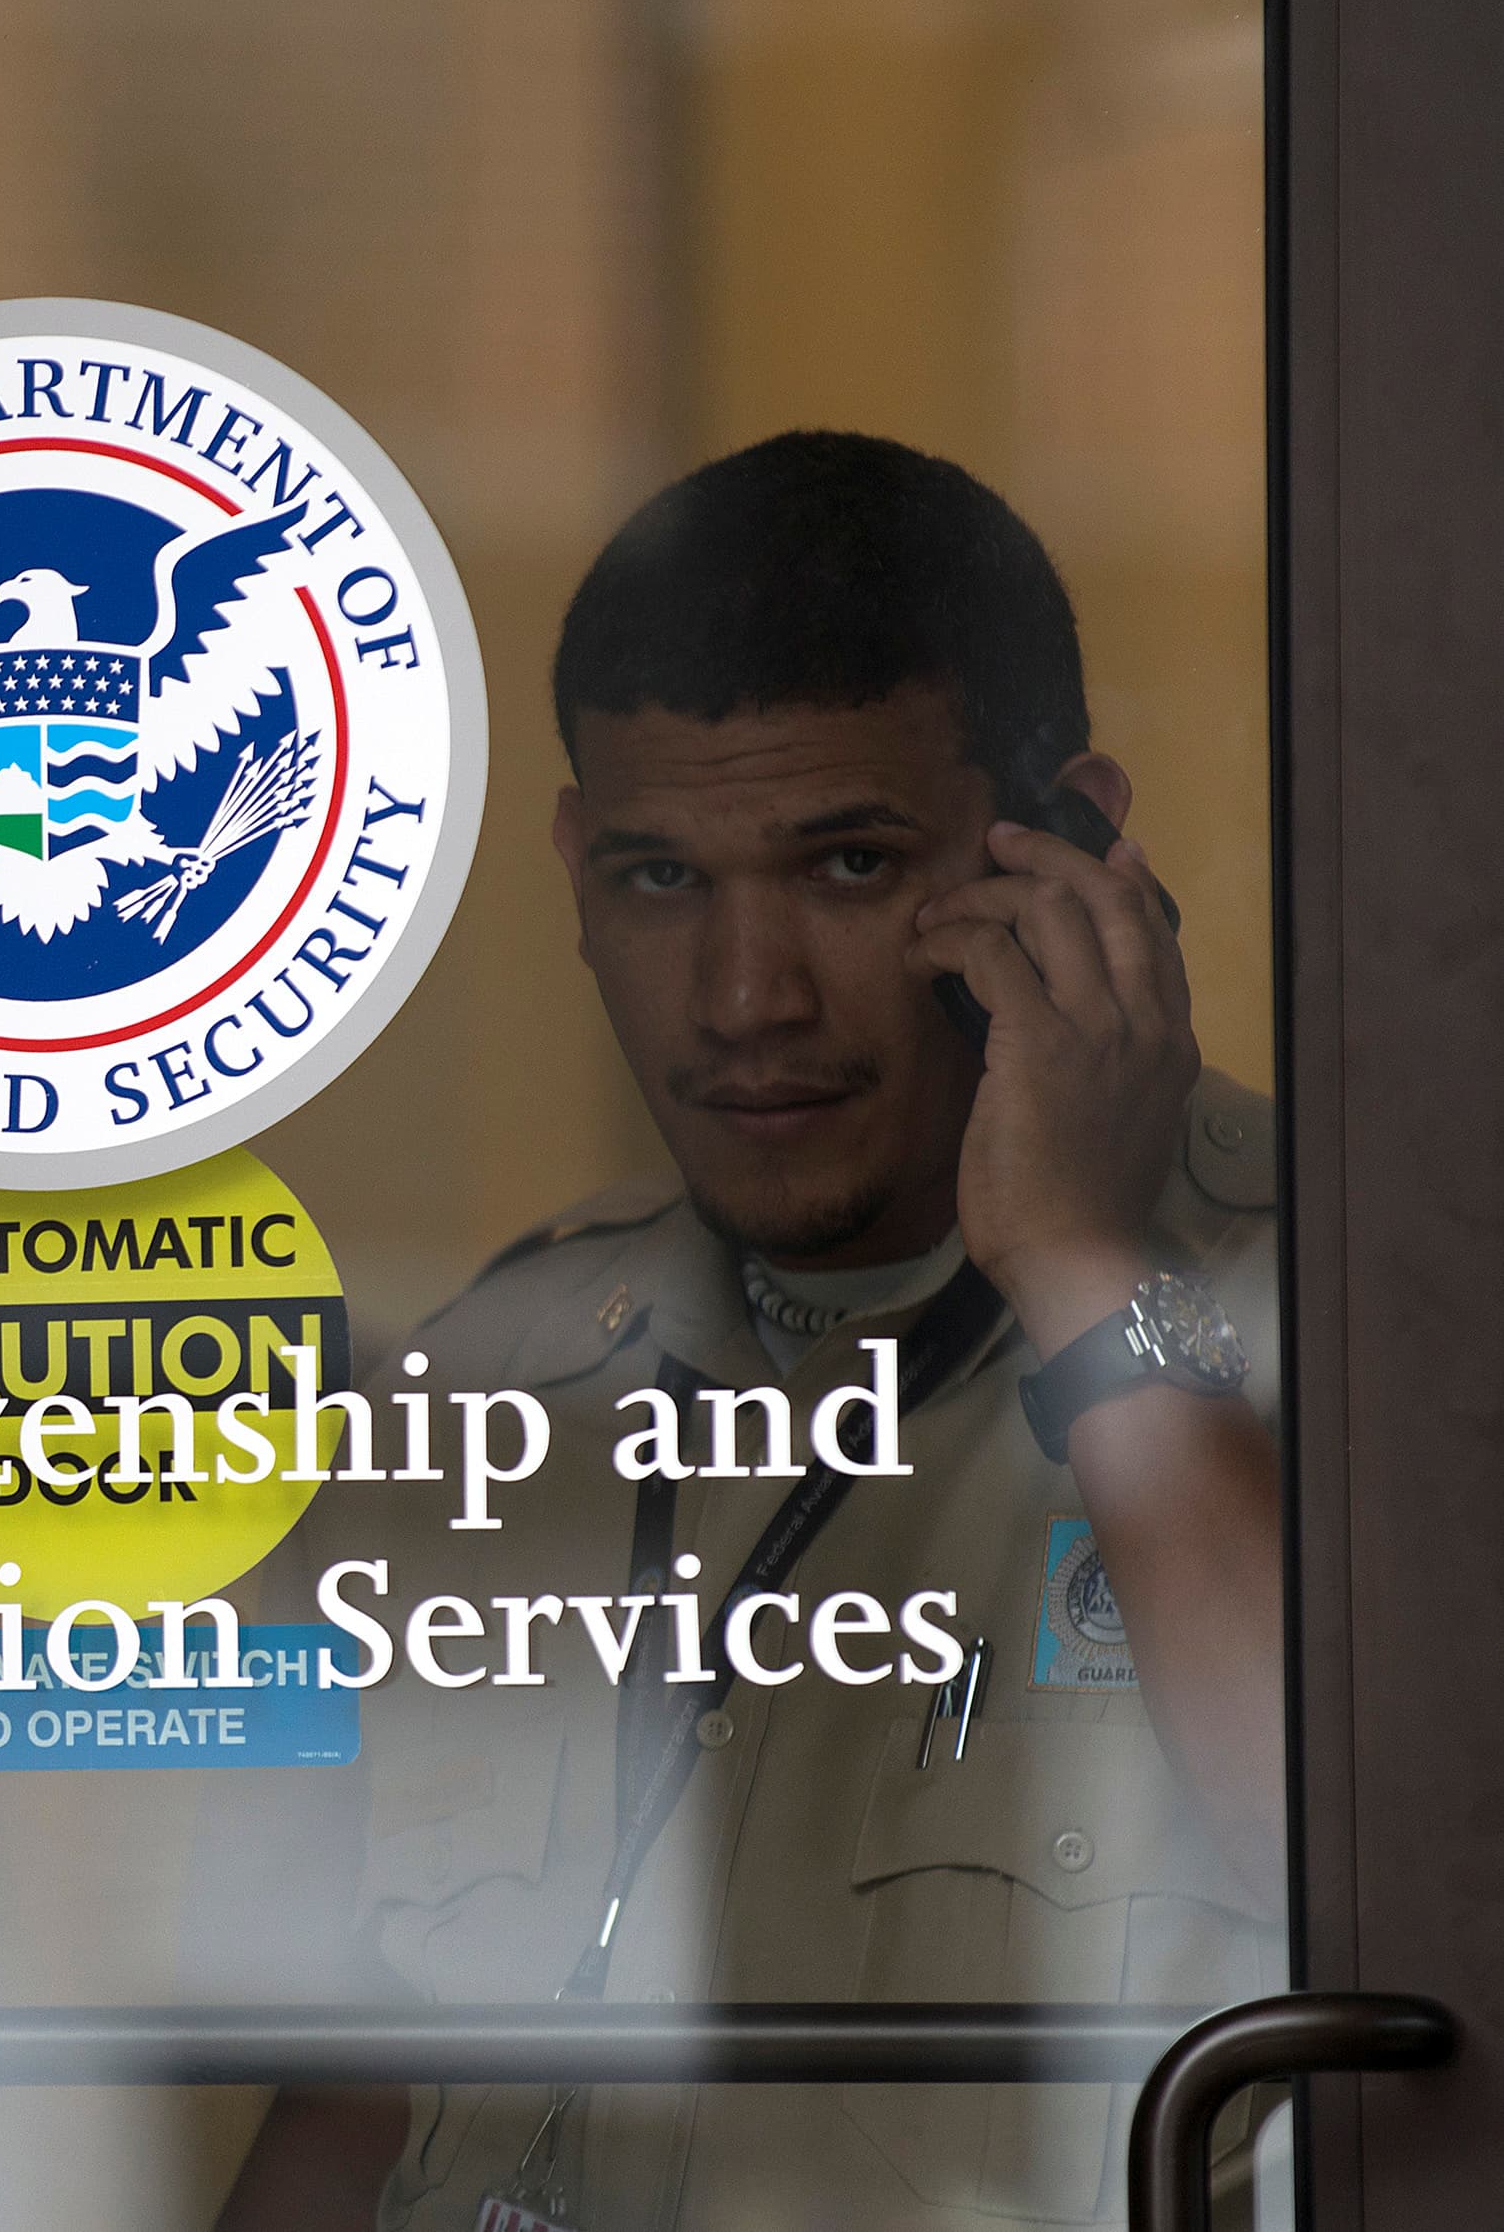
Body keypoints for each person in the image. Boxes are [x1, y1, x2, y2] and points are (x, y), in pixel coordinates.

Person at [217, 431, 1286, 2232]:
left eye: (850, 867)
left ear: (1074, 845)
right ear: (570, 866)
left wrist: (1086, 1265)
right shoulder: (504, 1370)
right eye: (658, 878)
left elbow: (1414, 1914)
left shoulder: (1351, 1304)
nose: (742, 998)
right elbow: (368, 2088)